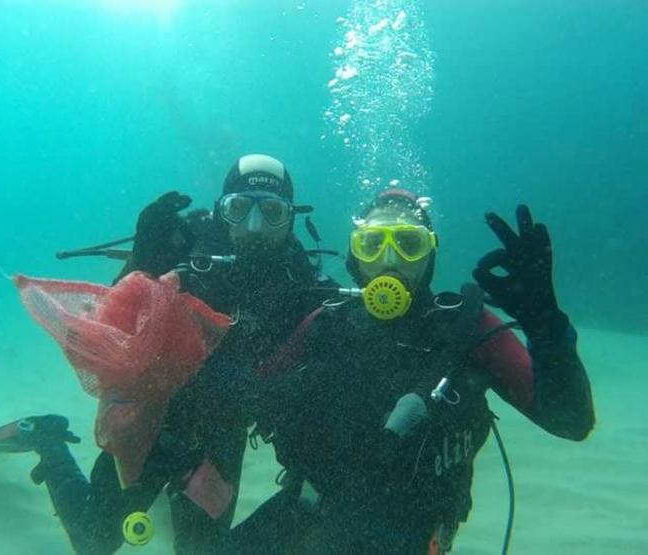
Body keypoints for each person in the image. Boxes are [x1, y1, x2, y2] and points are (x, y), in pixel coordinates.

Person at [0, 154, 336, 554]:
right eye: (240, 208)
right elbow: (108, 331)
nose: (254, 227)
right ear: (222, 209)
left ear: (291, 217)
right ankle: (44, 437)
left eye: (271, 212)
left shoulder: (301, 280)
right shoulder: (185, 246)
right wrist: (143, 265)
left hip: (223, 427)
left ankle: (174, 498)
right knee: (95, 541)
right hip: (155, 414)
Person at [226, 188, 595, 554]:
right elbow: (248, 398)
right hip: (308, 509)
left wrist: (545, 326)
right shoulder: (326, 323)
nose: (390, 261)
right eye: (372, 244)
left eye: (408, 244)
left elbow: (570, 421)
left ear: (429, 252)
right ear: (355, 255)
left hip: (411, 534)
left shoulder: (468, 328)